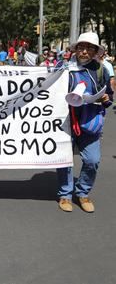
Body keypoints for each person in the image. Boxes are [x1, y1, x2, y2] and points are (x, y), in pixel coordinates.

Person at [56, 32, 113, 213]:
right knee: (64, 160)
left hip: (89, 121)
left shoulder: (100, 70)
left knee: (92, 160)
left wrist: (105, 98)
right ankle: (65, 194)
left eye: (89, 48)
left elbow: (109, 96)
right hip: (64, 121)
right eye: (81, 47)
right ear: (76, 49)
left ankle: (83, 192)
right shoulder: (63, 67)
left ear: (95, 51)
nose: (84, 51)